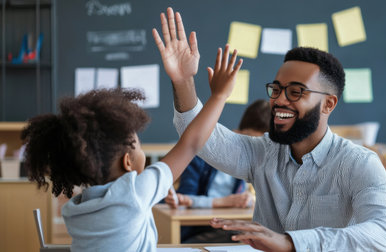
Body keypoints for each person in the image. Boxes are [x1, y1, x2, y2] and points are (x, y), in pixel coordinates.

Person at [153, 7, 386, 252]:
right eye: (276, 89)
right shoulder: (262, 153)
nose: (280, 100)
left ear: (328, 104)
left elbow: (384, 234)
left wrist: (291, 243)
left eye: (296, 92)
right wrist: (183, 81)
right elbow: (202, 138)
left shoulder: (359, 163)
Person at [21, 42, 243, 251]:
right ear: (127, 161)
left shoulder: (77, 207)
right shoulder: (134, 193)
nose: (142, 149)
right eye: (138, 143)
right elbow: (191, 143)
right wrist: (219, 96)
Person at [164, 99, 271, 243]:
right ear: (236, 134)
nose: (252, 152)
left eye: (259, 148)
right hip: (197, 229)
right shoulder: (200, 157)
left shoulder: (259, 163)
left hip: (227, 226)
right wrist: (223, 202)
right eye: (250, 143)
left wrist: (249, 200)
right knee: (238, 238)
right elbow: (185, 198)